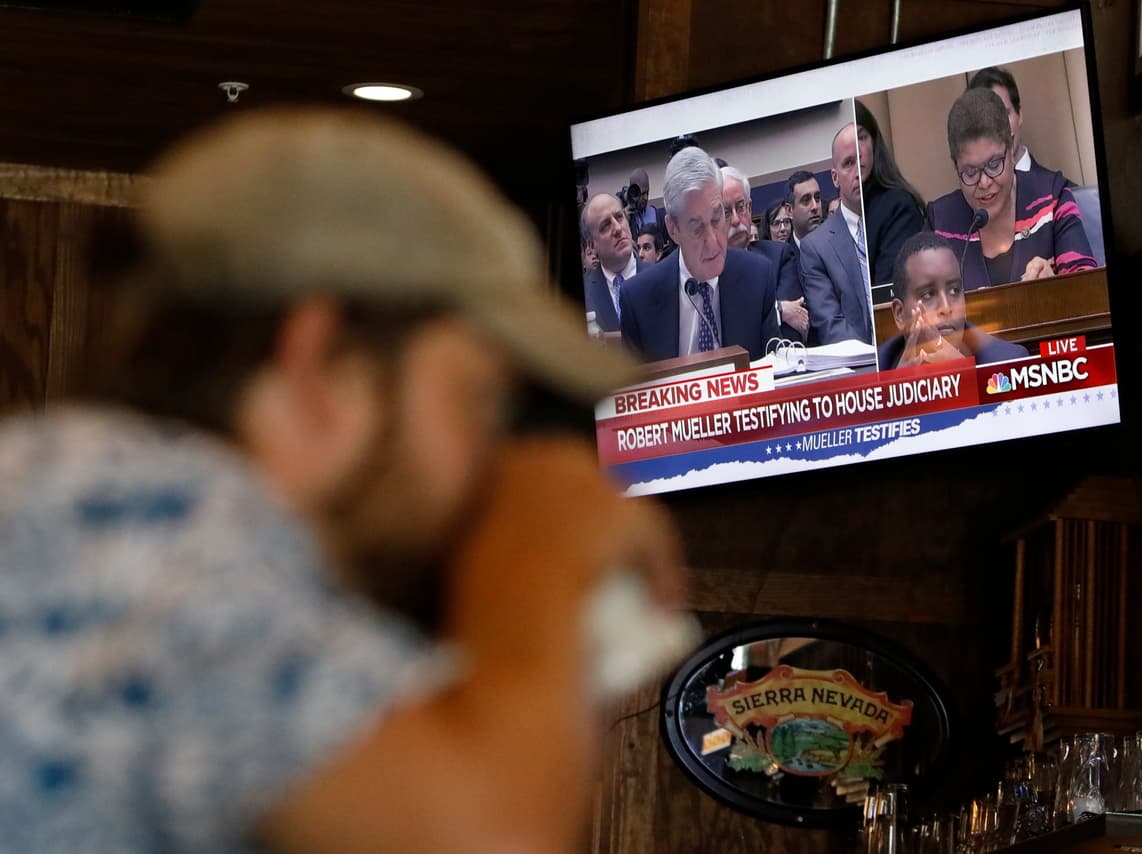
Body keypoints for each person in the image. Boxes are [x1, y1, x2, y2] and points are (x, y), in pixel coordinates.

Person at [0, 107, 688, 853]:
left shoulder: (146, 537)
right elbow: (490, 840)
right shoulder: (136, 511)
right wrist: (543, 541)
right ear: (321, 367)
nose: (492, 458)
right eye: (477, 400)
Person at [926, 88, 1096, 290]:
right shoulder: (940, 223)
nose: (984, 182)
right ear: (956, 167)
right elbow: (917, 304)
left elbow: (1090, 290)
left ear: (1012, 151)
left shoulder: (1052, 197)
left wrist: (1056, 288)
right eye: (971, 172)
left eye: (994, 164)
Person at [620, 146, 779, 362]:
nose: (713, 243)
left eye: (716, 218)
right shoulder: (638, 300)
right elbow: (636, 392)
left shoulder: (758, 278)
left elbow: (774, 373)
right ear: (673, 229)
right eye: (697, 228)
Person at [876, 231, 1028, 369]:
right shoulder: (877, 372)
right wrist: (896, 393)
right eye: (928, 295)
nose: (946, 307)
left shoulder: (1010, 364)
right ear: (900, 314)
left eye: (954, 291)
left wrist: (968, 378)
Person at [795, 124, 874, 346]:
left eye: (863, 161)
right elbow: (831, 326)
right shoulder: (816, 247)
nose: (858, 172)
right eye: (849, 163)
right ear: (835, 177)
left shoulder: (897, 222)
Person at [721, 165, 807, 342]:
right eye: (726, 212)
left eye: (740, 207)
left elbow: (792, 330)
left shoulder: (778, 255)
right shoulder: (708, 271)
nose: (736, 219)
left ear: (750, 208)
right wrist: (779, 310)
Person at [852, 100, 926, 288]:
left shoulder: (898, 206)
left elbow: (889, 292)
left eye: (861, 137)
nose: (857, 152)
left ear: (874, 142)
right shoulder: (835, 219)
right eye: (848, 143)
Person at [967, 66, 1071, 184]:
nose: (997, 128)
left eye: (1004, 114)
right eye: (986, 119)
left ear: (1019, 115)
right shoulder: (969, 198)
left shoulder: (1062, 192)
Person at [581, 192, 649, 332]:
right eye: (605, 225)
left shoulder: (662, 279)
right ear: (592, 245)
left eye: (619, 217)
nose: (618, 228)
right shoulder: (585, 295)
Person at [785, 170, 824, 247]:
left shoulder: (837, 243)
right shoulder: (783, 257)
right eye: (806, 200)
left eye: (817, 198)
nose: (815, 207)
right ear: (789, 210)